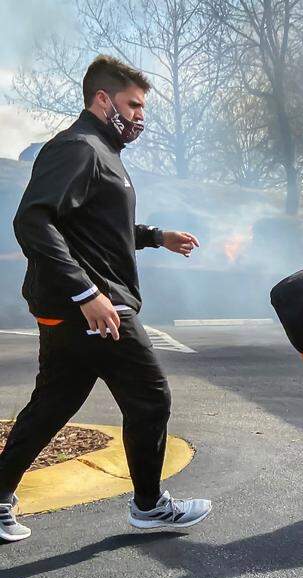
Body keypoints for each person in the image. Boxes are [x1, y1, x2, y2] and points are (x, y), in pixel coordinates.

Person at [0, 55, 211, 544]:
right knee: (150, 397)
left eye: (142, 107)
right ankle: (150, 506)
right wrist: (87, 293)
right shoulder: (79, 148)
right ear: (102, 99)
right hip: (97, 309)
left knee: (52, 405)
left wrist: (157, 236)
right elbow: (33, 221)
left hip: (82, 307)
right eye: (133, 104)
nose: (140, 115)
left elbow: (97, 230)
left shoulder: (102, 152)